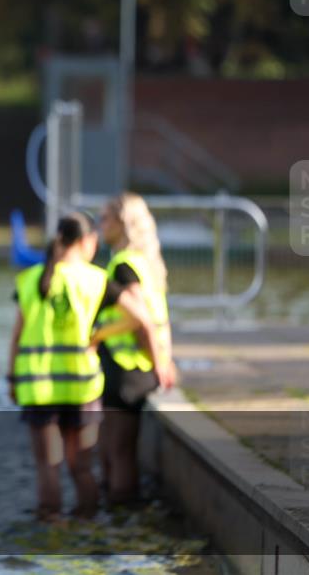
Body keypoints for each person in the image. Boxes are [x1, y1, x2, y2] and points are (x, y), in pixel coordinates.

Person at [7, 212, 159, 521]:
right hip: (81, 386)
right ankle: (86, 529)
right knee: (82, 468)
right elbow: (142, 318)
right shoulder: (96, 279)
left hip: (38, 387)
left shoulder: (30, 279)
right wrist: (100, 334)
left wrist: (11, 378)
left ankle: (50, 529)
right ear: (87, 241)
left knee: (48, 467)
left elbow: (17, 336)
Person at [95, 192, 176, 505]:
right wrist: (163, 359)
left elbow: (142, 321)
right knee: (116, 447)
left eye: (105, 218)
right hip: (135, 364)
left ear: (123, 223)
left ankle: (120, 513)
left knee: (119, 451)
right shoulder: (144, 262)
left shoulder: (124, 266)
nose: (100, 224)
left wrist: (159, 364)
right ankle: (117, 510)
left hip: (127, 367)